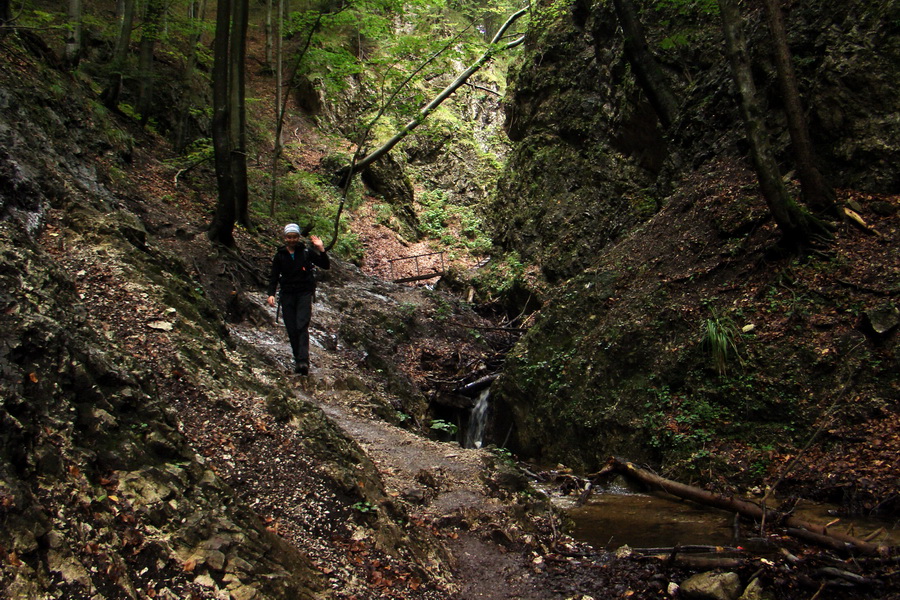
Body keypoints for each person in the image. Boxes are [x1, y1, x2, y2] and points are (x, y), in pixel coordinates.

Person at [267, 223, 330, 375]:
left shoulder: (306, 252)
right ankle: (298, 359)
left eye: (295, 237)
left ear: (298, 237)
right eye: (289, 237)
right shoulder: (280, 255)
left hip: (304, 293)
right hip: (287, 294)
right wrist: (271, 294)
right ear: (285, 238)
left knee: (302, 325)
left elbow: (325, 265)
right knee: (291, 328)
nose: (292, 240)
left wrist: (321, 249)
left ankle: (303, 361)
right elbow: (274, 275)